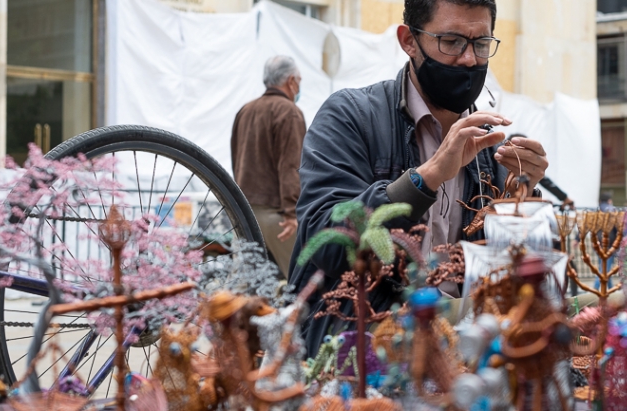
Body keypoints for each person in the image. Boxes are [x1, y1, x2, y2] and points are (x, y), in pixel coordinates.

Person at [290, 0, 549, 357]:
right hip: (362, 351)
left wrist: (520, 196)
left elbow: (508, 270)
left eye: (481, 43)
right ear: (409, 41)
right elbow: (325, 240)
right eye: (451, 41)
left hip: (463, 356)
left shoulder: (491, 145)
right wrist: (425, 179)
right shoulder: (350, 117)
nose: (470, 59)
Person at [230, 55, 305, 272]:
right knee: (301, 281)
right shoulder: (289, 112)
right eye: (299, 80)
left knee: (244, 288)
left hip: (244, 211)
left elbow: (237, 159)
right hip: (277, 216)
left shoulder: (245, 110)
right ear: (291, 81)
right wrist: (292, 213)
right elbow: (291, 165)